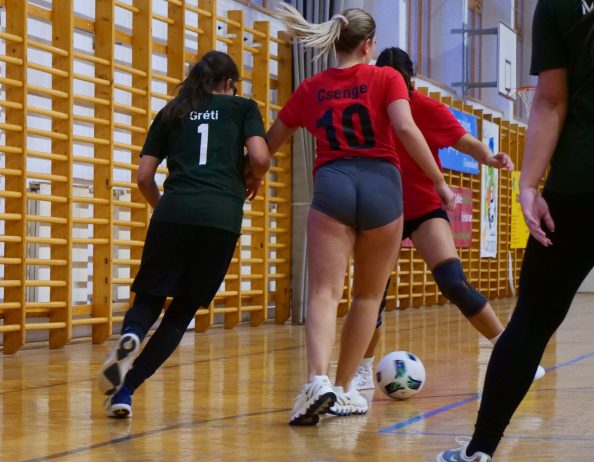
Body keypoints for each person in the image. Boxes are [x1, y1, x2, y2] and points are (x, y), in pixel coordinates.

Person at [435, 0, 594, 462]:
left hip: (583, 177)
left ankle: (476, 455)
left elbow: (550, 100)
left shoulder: (561, 3)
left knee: (532, 320)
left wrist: (528, 184)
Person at [263, 5, 454, 425]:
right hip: (382, 186)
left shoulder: (311, 87)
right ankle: (345, 387)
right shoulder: (386, 77)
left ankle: (317, 381)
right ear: (368, 45)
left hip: (333, 183)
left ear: (336, 40)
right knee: (367, 296)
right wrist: (439, 182)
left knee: (324, 293)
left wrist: (251, 175)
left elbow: (270, 142)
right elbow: (405, 128)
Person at [342, 47, 542, 411]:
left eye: (401, 83)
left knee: (453, 282)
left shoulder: (426, 109)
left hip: (423, 208)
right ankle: (362, 370)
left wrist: (488, 157)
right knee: (373, 296)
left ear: (411, 81)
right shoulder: (367, 108)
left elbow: (463, 141)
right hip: (382, 212)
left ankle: (510, 351)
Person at [97, 51, 270, 418]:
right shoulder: (243, 108)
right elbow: (260, 158)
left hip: (174, 211)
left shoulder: (172, 111)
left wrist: (163, 206)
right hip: (221, 217)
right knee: (181, 312)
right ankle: (126, 390)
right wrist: (254, 176)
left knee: (149, 299)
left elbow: (143, 177)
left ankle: (131, 335)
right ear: (229, 83)